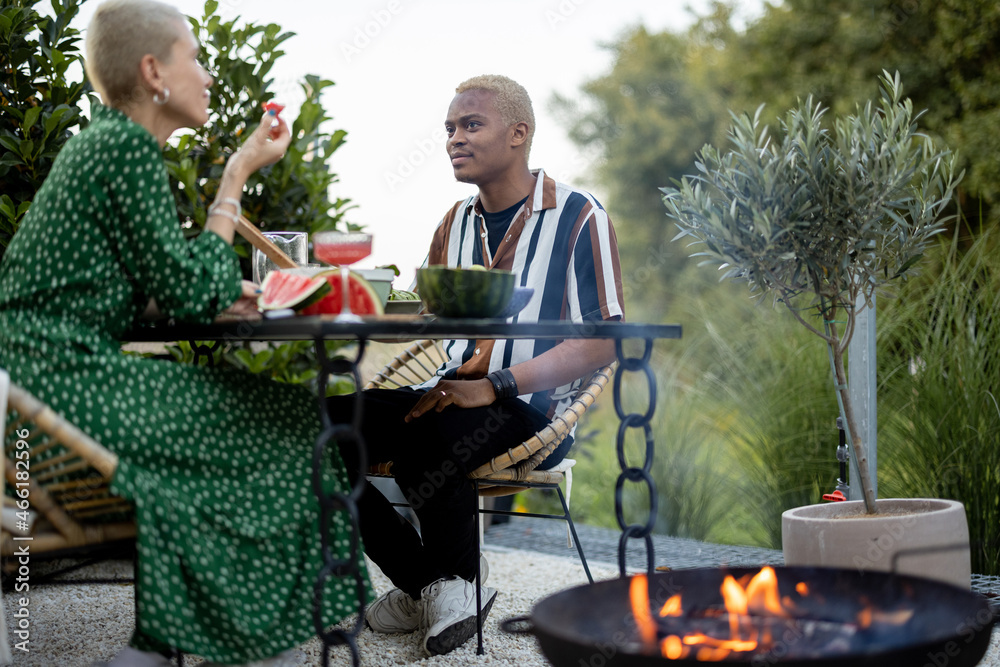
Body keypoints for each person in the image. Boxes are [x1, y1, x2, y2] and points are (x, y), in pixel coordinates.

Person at [0, 1, 369, 665]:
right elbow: (192, 288)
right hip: (54, 386)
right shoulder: (124, 146)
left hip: (33, 380)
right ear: (152, 71)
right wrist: (236, 174)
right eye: (193, 57)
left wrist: (195, 290)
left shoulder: (103, 146)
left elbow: (156, 283)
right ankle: (239, 638)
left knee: (256, 409)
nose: (206, 74)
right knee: (286, 421)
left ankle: (181, 638)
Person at [330, 74, 625, 656]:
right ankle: (433, 586)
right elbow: (431, 314)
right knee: (314, 426)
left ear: (518, 134)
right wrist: (358, 297)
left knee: (432, 429)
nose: (453, 140)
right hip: (449, 388)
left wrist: (497, 384)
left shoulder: (579, 218)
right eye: (448, 128)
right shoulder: (454, 223)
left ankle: (436, 594)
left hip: (535, 408)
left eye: (470, 125)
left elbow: (606, 340)